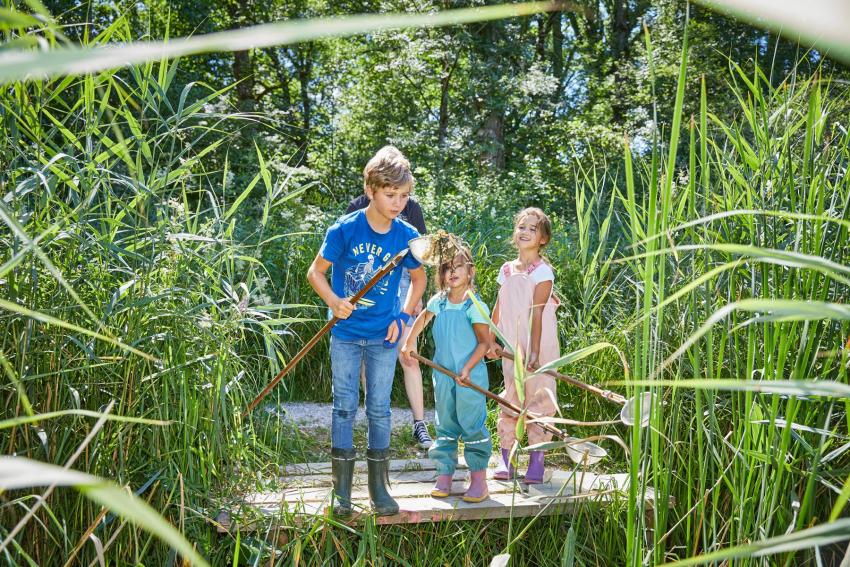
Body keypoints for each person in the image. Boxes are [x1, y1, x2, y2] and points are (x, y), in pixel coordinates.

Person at [307, 145, 426, 517]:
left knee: (379, 409)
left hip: (383, 336)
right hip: (344, 333)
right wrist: (334, 301)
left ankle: (379, 489)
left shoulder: (406, 234)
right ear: (371, 190)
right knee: (343, 407)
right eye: (391, 195)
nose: (398, 203)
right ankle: (341, 492)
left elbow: (419, 281)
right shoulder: (345, 228)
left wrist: (403, 319)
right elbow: (315, 272)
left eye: (404, 196)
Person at [402, 245, 492, 503]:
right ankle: (444, 474)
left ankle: (478, 479)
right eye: (446, 268)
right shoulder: (438, 301)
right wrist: (409, 342)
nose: (451, 272)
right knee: (446, 424)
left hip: (469, 376)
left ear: (470, 271)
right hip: (443, 374)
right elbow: (421, 319)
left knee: (472, 424)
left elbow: (484, 343)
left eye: (458, 266)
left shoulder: (473, 305)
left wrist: (466, 369)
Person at [346, 194, 433, 450]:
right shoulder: (357, 206)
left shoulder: (411, 206)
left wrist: (417, 297)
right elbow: (349, 255)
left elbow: (420, 254)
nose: (396, 196)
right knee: (366, 358)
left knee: (408, 355)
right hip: (370, 286)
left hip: (405, 283)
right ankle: (376, 423)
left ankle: (420, 423)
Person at [487, 207, 560, 484]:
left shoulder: (543, 272)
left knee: (539, 398)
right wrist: (491, 338)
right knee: (512, 396)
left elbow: (538, 312)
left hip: (539, 344)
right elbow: (500, 304)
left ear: (543, 239)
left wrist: (535, 352)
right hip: (512, 343)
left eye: (532, 228)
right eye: (521, 227)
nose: (525, 232)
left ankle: (537, 462)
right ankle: (508, 459)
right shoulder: (506, 269)